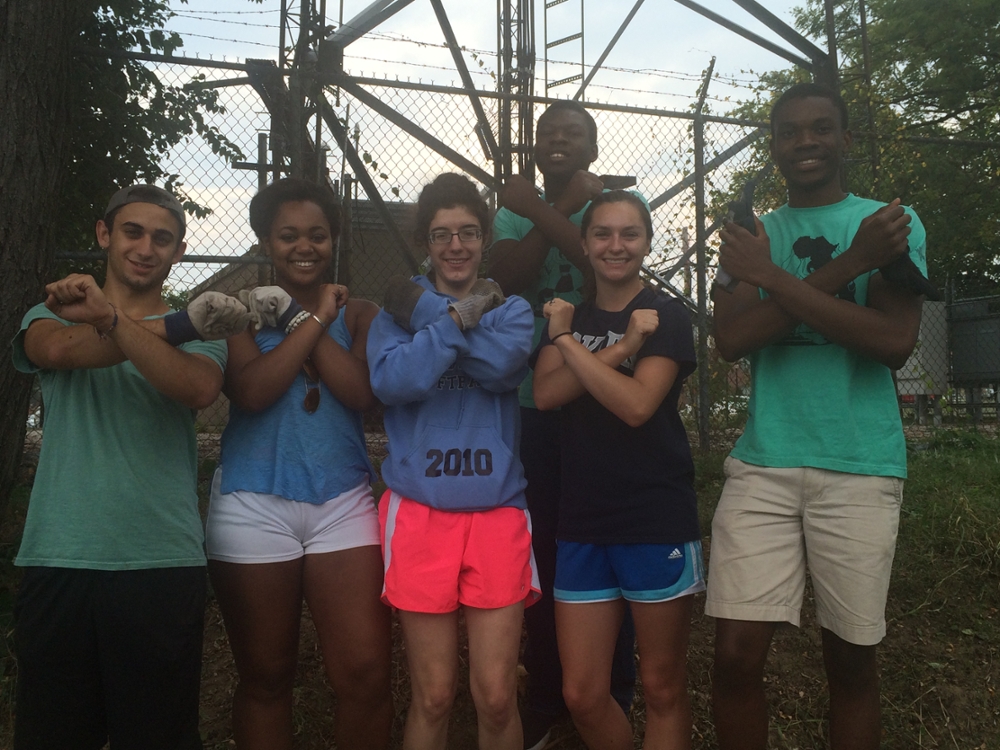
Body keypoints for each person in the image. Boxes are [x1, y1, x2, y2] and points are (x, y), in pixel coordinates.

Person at [706, 82, 926, 750]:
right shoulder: (755, 232)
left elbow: (892, 342)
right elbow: (733, 340)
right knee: (735, 656)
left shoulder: (890, 224)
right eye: (790, 131)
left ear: (846, 140)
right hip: (763, 463)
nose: (806, 142)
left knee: (851, 660)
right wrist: (848, 269)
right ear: (773, 145)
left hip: (859, 464)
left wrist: (783, 278)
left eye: (821, 128)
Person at [11, 184, 232, 749]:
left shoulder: (206, 332)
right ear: (104, 235)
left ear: (178, 252)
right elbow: (59, 353)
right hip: (60, 555)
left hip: (159, 560)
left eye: (162, 239)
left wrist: (114, 320)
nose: (145, 247)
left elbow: (195, 387)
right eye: (132, 232)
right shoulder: (49, 314)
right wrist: (163, 324)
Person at [206, 177, 392, 750]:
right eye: (287, 235)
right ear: (265, 240)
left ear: (334, 239)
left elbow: (362, 394)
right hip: (252, 502)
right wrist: (302, 319)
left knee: (365, 675)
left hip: (343, 503)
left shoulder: (360, 313)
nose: (303, 246)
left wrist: (310, 319)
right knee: (265, 678)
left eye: (317, 234)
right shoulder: (239, 315)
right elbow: (254, 393)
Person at [367, 172, 539, 750]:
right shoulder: (392, 313)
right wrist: (461, 318)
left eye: (468, 232)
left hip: (496, 513)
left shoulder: (512, 309)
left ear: (485, 236)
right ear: (426, 241)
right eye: (442, 234)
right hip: (420, 512)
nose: (456, 245)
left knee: (495, 696)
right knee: (434, 696)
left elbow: (502, 367)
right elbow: (395, 380)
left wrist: (430, 318)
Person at [489, 100, 638, 748]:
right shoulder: (511, 209)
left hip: (601, 399)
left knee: (608, 545)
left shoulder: (609, 209)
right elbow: (506, 273)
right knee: (545, 550)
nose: (557, 141)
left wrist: (550, 207)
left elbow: (595, 265)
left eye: (571, 134)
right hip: (533, 402)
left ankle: (614, 696)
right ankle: (550, 698)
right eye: (548, 133)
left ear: (592, 148)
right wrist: (544, 209)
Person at [532, 190, 702, 748]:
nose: (616, 245)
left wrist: (565, 341)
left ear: (647, 242)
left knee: (660, 685)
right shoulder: (574, 318)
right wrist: (619, 344)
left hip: (653, 517)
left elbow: (635, 406)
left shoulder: (668, 317)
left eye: (629, 234)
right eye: (602, 233)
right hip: (582, 520)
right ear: (583, 243)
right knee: (581, 692)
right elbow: (547, 393)